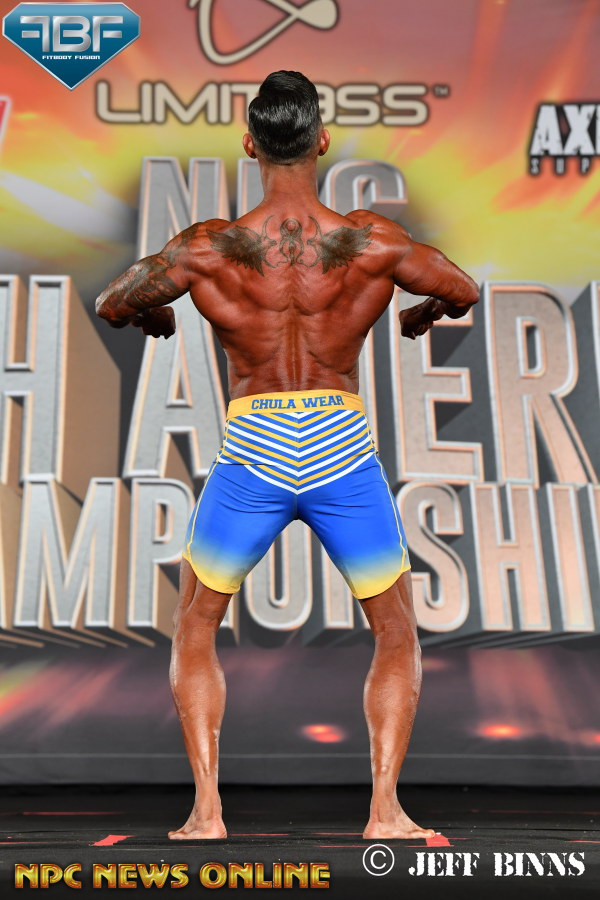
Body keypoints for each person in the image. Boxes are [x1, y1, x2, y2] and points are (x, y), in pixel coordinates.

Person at [96, 70, 479, 841]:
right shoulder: (371, 240)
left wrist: (153, 321)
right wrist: (422, 315)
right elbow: (464, 289)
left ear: (250, 145)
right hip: (340, 451)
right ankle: (385, 812)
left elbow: (113, 302)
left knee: (197, 625)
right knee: (395, 630)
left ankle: (207, 812)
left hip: (256, 450)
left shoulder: (208, 248)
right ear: (323, 141)